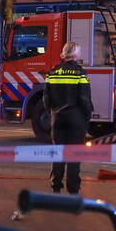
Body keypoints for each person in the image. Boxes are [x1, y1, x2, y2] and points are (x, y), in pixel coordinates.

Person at [44, 42, 93, 195]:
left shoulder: (52, 72)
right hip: (76, 119)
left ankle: (56, 188)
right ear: (76, 55)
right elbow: (84, 99)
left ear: (64, 54)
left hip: (57, 119)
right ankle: (73, 191)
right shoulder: (80, 73)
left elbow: (46, 99)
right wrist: (86, 117)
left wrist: (53, 112)